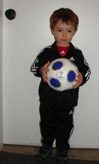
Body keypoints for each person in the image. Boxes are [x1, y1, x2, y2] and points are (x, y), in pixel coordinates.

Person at [30, 8, 91, 164]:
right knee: (47, 124)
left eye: (69, 30)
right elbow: (34, 68)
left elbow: (87, 72)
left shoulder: (77, 54)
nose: (64, 35)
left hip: (67, 100)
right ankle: (47, 146)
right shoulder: (47, 52)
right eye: (60, 30)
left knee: (65, 126)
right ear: (52, 31)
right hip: (48, 99)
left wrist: (80, 80)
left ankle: (63, 150)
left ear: (75, 32)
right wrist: (42, 70)